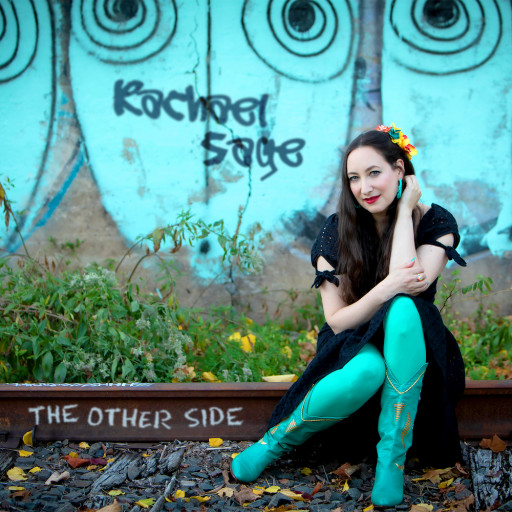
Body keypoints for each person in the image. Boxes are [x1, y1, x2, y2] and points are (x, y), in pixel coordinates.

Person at [230, 123, 467, 507]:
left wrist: (404, 212)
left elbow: (411, 283)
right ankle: (274, 442)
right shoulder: (336, 230)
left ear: (400, 170)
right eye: (354, 178)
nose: (364, 187)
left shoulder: (435, 222)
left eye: (374, 173)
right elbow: (338, 320)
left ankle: (392, 460)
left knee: (404, 308)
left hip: (412, 341)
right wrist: (388, 287)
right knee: (368, 369)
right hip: (352, 338)